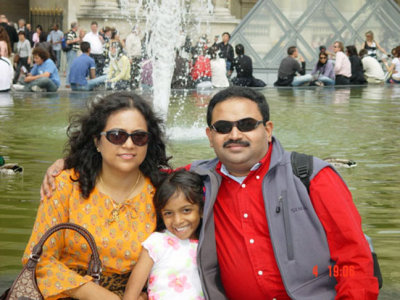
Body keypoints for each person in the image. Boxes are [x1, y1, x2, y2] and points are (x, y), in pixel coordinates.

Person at [42, 87, 380, 299]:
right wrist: (72, 161)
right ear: (209, 134)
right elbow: (133, 163)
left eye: (247, 125)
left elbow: (354, 263)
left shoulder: (311, 177)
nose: (235, 134)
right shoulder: (198, 179)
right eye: (223, 128)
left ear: (268, 128)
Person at [23, 92, 171, 299]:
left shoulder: (162, 193)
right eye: (117, 136)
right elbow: (40, 259)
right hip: (67, 294)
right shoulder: (66, 184)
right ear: (97, 141)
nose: (128, 145)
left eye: (139, 137)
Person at [123, 170, 205, 300]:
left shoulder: (206, 244)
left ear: (201, 210)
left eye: (186, 210)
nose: (178, 220)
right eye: (168, 213)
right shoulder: (156, 243)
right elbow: (130, 296)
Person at [65, 21, 81, 88]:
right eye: (77, 26)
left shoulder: (73, 33)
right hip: (71, 51)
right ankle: (68, 82)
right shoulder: (71, 33)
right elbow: (68, 41)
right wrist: (76, 40)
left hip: (74, 51)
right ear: (75, 27)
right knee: (70, 67)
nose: (78, 27)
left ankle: (71, 81)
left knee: (72, 66)